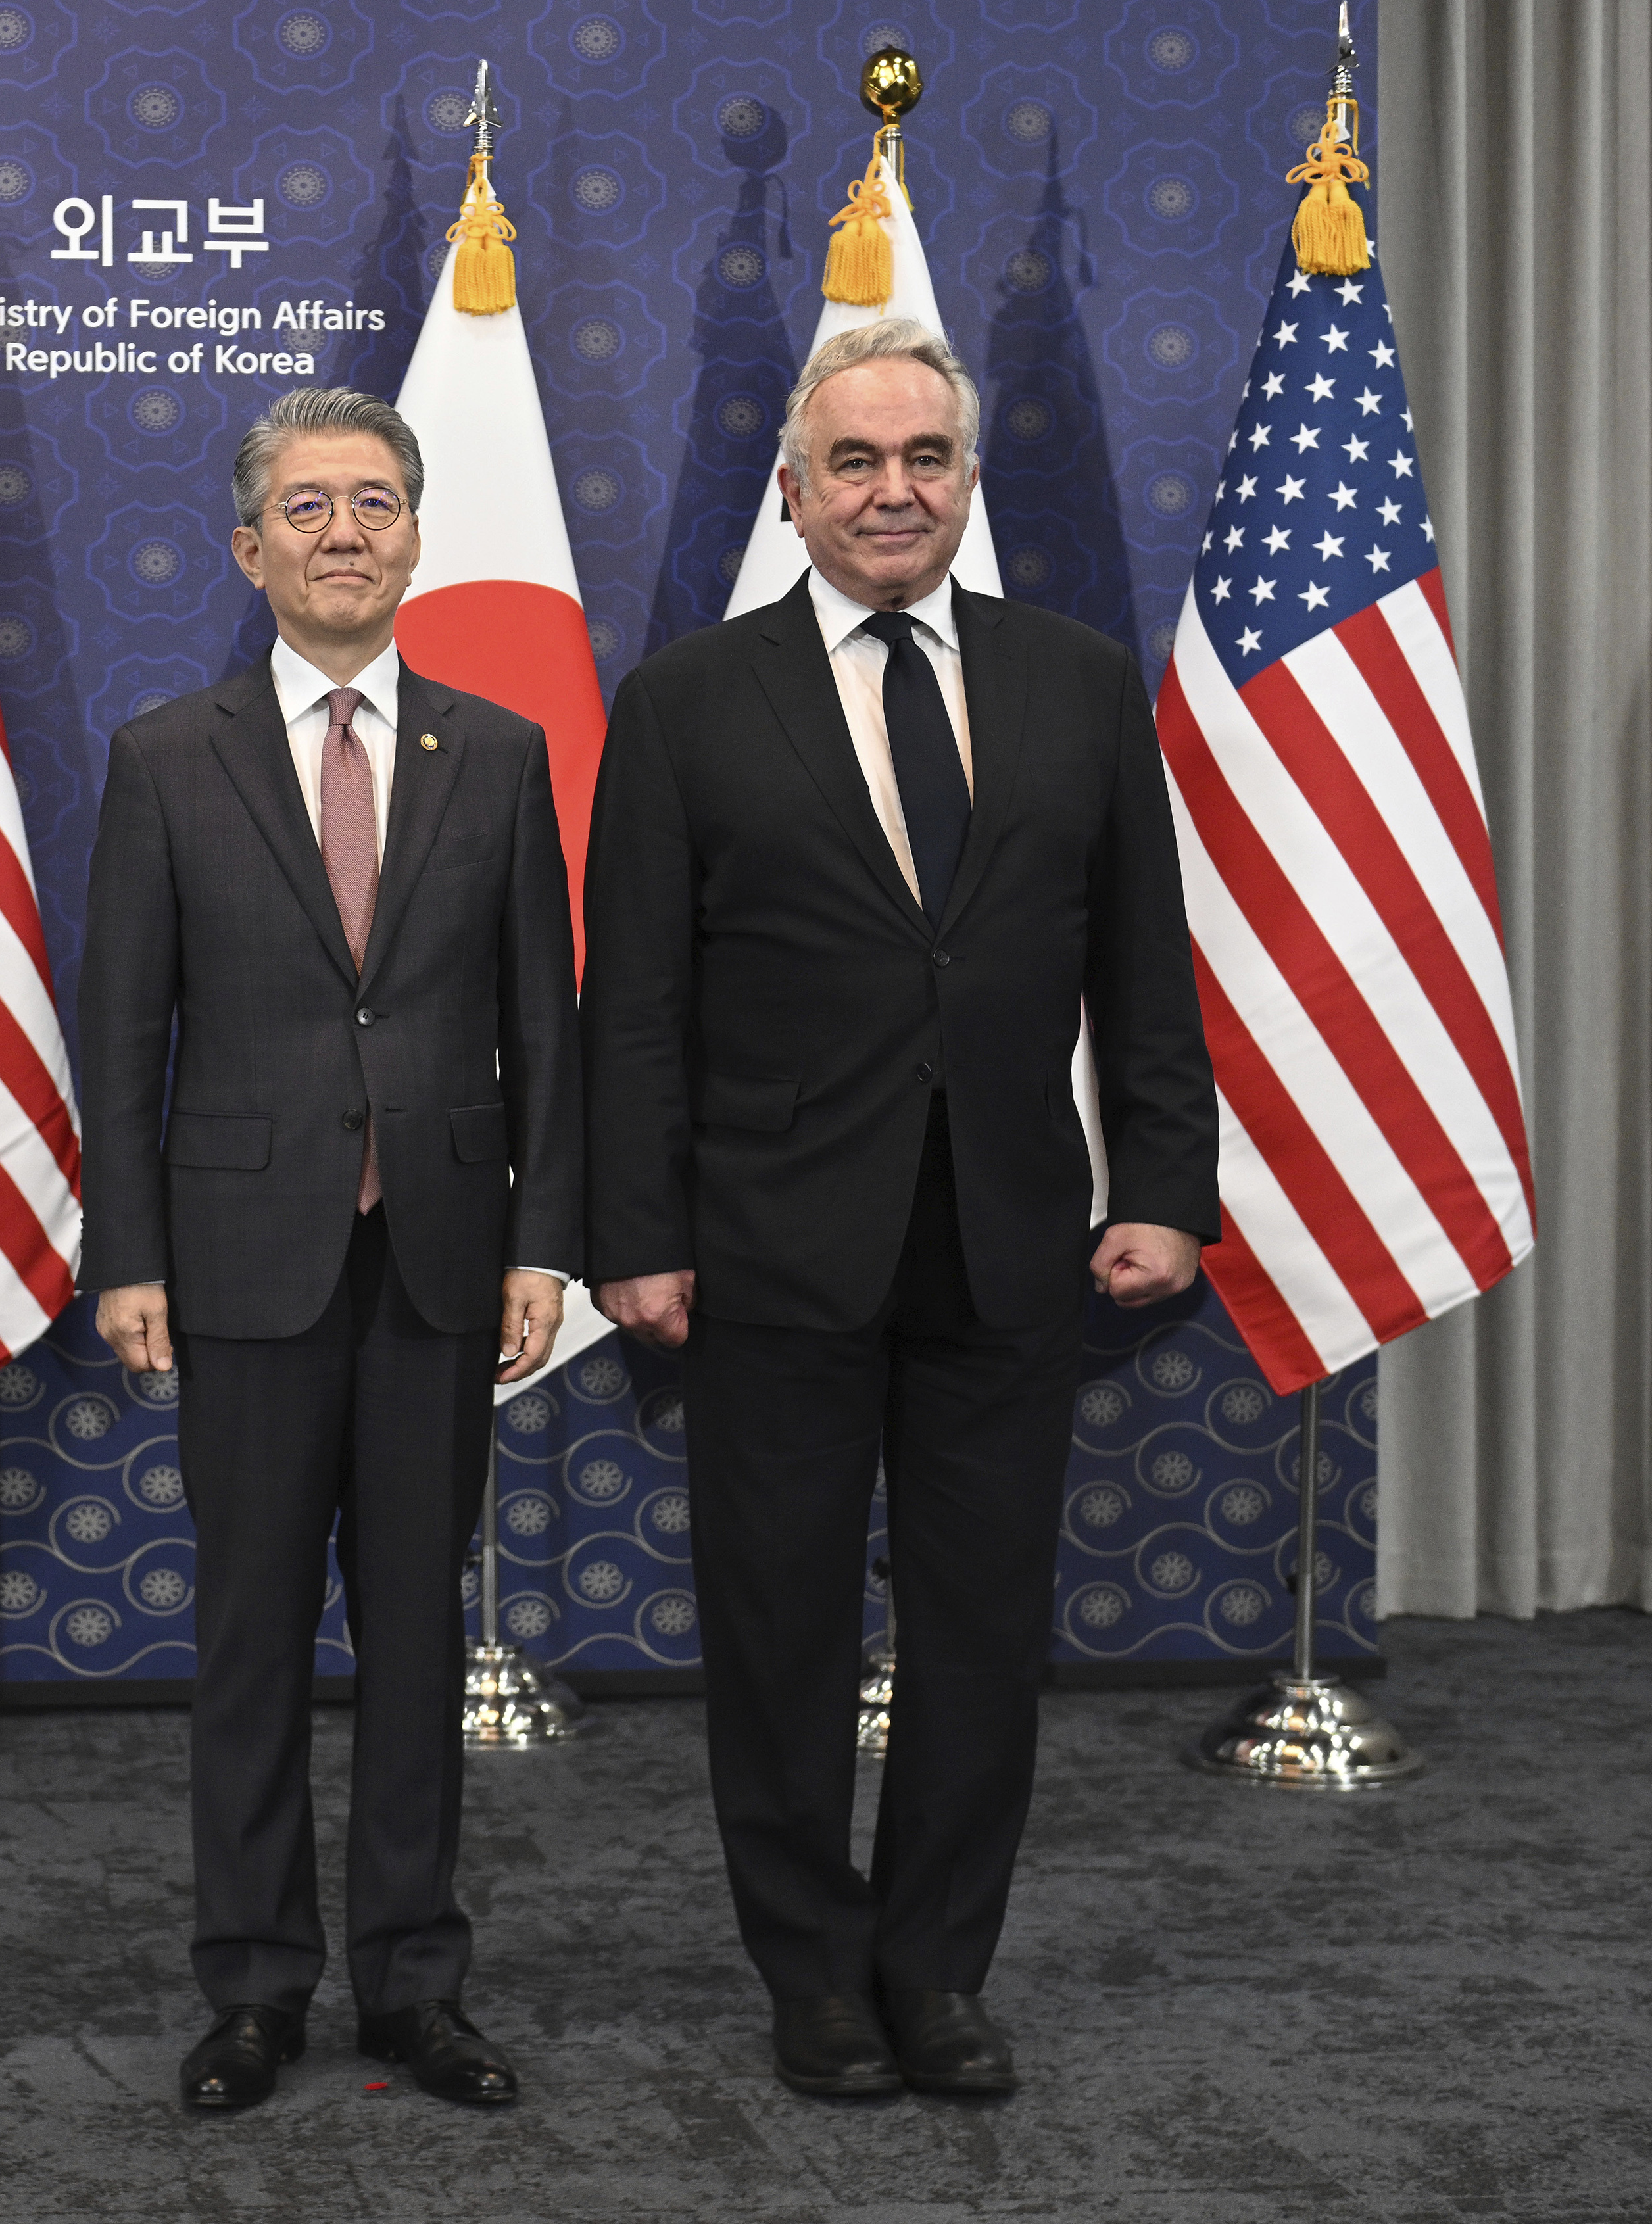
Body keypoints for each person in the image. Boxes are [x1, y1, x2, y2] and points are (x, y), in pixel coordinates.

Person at [582, 319, 1217, 2098]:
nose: (892, 491)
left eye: (924, 459)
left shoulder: (1080, 682)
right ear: (794, 494)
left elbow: (1145, 966)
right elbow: (628, 1003)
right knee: (778, 1638)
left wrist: (1164, 1182)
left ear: (966, 483)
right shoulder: (691, 700)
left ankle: (936, 1973)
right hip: (770, 1249)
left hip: (1007, 1242)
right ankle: (814, 1981)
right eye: (854, 463)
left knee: (979, 1640)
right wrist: (638, 1231)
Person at [78, 388, 585, 2112]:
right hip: (238, 1261)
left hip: (444, 1258)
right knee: (249, 1638)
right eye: (307, 507)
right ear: (249, 547)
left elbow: (547, 1027)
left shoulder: (499, 754)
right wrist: (127, 1255)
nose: (344, 531)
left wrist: (544, 1242)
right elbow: (120, 1029)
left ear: (419, 537)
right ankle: (253, 1987)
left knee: (423, 1645)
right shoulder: (166, 756)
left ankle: (413, 1986)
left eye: (375, 501)